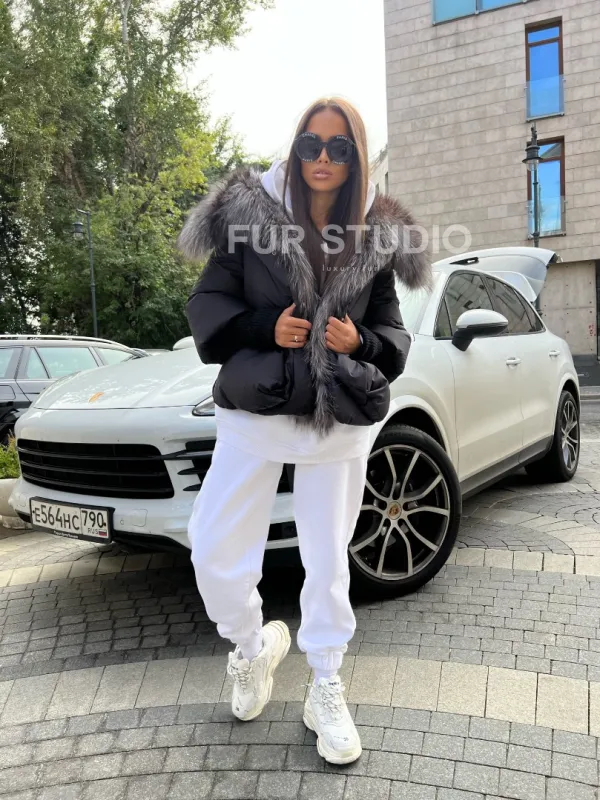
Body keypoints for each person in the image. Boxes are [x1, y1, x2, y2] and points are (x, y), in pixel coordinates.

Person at [178, 97, 430, 765]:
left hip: (336, 418)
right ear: (294, 150)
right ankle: (251, 646)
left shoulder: (375, 234)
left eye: (339, 147)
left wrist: (360, 341)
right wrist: (266, 327)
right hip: (256, 407)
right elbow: (208, 305)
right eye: (310, 145)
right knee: (212, 547)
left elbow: (393, 335)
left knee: (327, 559)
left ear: (355, 158)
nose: (322, 158)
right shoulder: (248, 216)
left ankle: (325, 685)